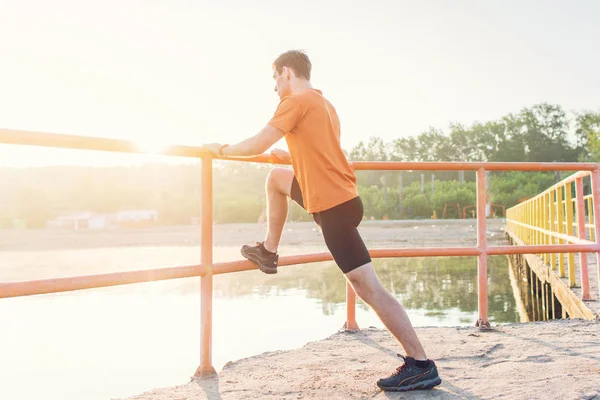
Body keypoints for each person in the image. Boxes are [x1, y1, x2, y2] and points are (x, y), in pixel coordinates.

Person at [202, 50, 441, 392]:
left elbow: (257, 142)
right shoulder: (323, 104)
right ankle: (269, 250)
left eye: (274, 78)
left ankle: (420, 363)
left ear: (286, 72)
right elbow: (320, 152)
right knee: (275, 178)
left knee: (366, 286)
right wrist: (291, 155)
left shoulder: (294, 102)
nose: (274, 86)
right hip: (339, 196)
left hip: (333, 206)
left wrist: (220, 149)